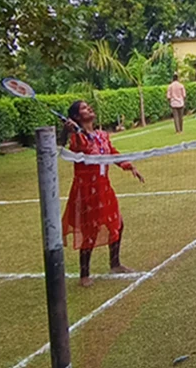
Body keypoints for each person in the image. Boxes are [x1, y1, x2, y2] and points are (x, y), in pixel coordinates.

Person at [63, 101, 145, 287]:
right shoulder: (78, 138)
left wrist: (129, 165)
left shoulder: (102, 135)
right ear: (76, 117)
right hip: (86, 190)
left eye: (88, 106)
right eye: (84, 108)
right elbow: (76, 147)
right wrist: (69, 132)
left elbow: (112, 154)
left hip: (104, 187)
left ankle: (115, 264)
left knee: (117, 223)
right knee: (89, 230)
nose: (89, 109)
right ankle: (84, 274)